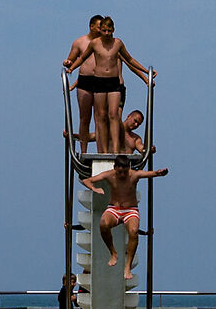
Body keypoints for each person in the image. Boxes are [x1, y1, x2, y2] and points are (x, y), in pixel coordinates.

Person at [74, 17, 154, 156]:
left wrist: (146, 77)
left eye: (109, 31)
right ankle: (103, 152)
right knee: (100, 117)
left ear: (113, 30)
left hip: (116, 85)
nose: (106, 33)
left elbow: (130, 62)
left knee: (114, 116)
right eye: (104, 30)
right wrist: (72, 76)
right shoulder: (96, 45)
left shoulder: (116, 45)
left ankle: (115, 151)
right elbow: (84, 63)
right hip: (100, 83)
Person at [84, 155, 169, 273]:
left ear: (128, 168)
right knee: (103, 224)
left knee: (134, 231)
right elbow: (87, 180)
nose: (122, 175)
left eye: (125, 172)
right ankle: (113, 252)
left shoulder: (134, 175)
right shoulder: (109, 175)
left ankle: (128, 265)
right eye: (120, 172)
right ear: (115, 168)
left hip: (130, 210)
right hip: (114, 208)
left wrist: (159, 173)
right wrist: (94, 189)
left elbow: (149, 173)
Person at [63, 17, 107, 152]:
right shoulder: (80, 42)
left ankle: (101, 150)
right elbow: (71, 59)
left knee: (100, 117)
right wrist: (68, 63)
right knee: (84, 117)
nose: (101, 30)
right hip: (84, 80)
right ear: (91, 26)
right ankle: (83, 150)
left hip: (100, 80)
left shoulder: (105, 43)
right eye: (99, 27)